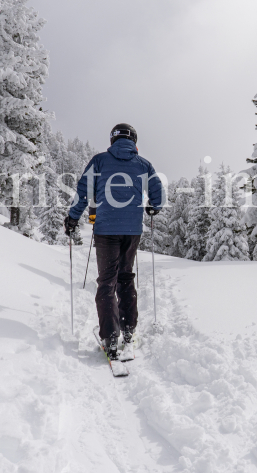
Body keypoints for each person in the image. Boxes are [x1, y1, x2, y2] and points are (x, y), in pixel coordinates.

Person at [64, 123, 163, 359]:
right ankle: (129, 330)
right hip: (132, 230)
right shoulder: (143, 164)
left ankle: (110, 337)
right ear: (134, 141)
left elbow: (83, 191)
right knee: (126, 277)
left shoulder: (99, 161)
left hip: (106, 230)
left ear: (112, 140)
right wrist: (153, 206)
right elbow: (157, 189)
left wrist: (73, 217)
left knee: (107, 282)